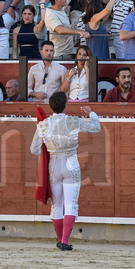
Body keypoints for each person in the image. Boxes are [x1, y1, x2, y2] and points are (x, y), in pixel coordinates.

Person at [29, 91, 101, 251]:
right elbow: (96, 127)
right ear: (65, 106)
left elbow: (34, 149)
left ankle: (60, 239)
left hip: (54, 166)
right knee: (70, 204)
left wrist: (48, 144)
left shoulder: (43, 125)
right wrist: (91, 113)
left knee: (57, 205)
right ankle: (65, 241)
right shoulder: (73, 121)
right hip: (71, 164)